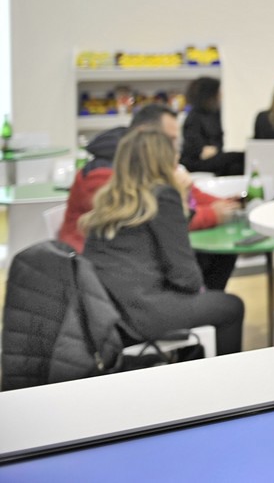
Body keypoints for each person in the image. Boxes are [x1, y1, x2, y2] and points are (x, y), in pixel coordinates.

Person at [81, 129, 245, 356]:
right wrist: (182, 195)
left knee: (207, 286)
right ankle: (221, 373)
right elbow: (187, 279)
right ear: (165, 162)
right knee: (231, 307)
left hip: (107, 311)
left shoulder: (111, 197)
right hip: (141, 314)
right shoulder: (163, 196)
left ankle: (191, 357)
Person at [59, 105, 240, 290]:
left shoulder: (145, 162)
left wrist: (225, 204)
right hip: (98, 273)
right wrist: (212, 213)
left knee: (216, 257)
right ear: (145, 135)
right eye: (169, 140)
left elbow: (188, 196)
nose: (174, 149)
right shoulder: (103, 175)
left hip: (136, 260)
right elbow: (155, 216)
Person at [179, 76, 244, 176]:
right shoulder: (194, 117)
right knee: (238, 158)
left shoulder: (215, 114)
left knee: (237, 166)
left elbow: (218, 142)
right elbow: (195, 146)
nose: (221, 95)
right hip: (196, 161)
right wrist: (203, 150)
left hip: (213, 156)